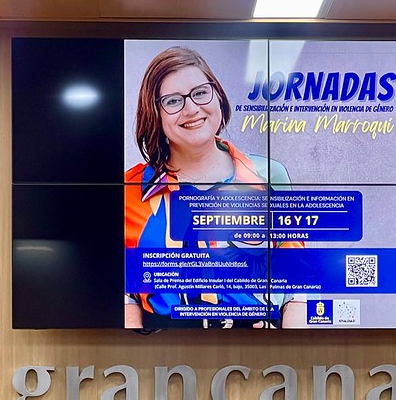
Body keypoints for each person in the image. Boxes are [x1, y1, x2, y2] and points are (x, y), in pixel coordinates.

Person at [125, 46, 306, 329]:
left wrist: (291, 357)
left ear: (218, 96)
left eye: (200, 93)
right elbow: (125, 297)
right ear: (155, 114)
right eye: (173, 101)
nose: (192, 109)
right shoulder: (129, 189)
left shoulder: (269, 176)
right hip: (161, 359)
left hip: (262, 358)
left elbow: (297, 289)